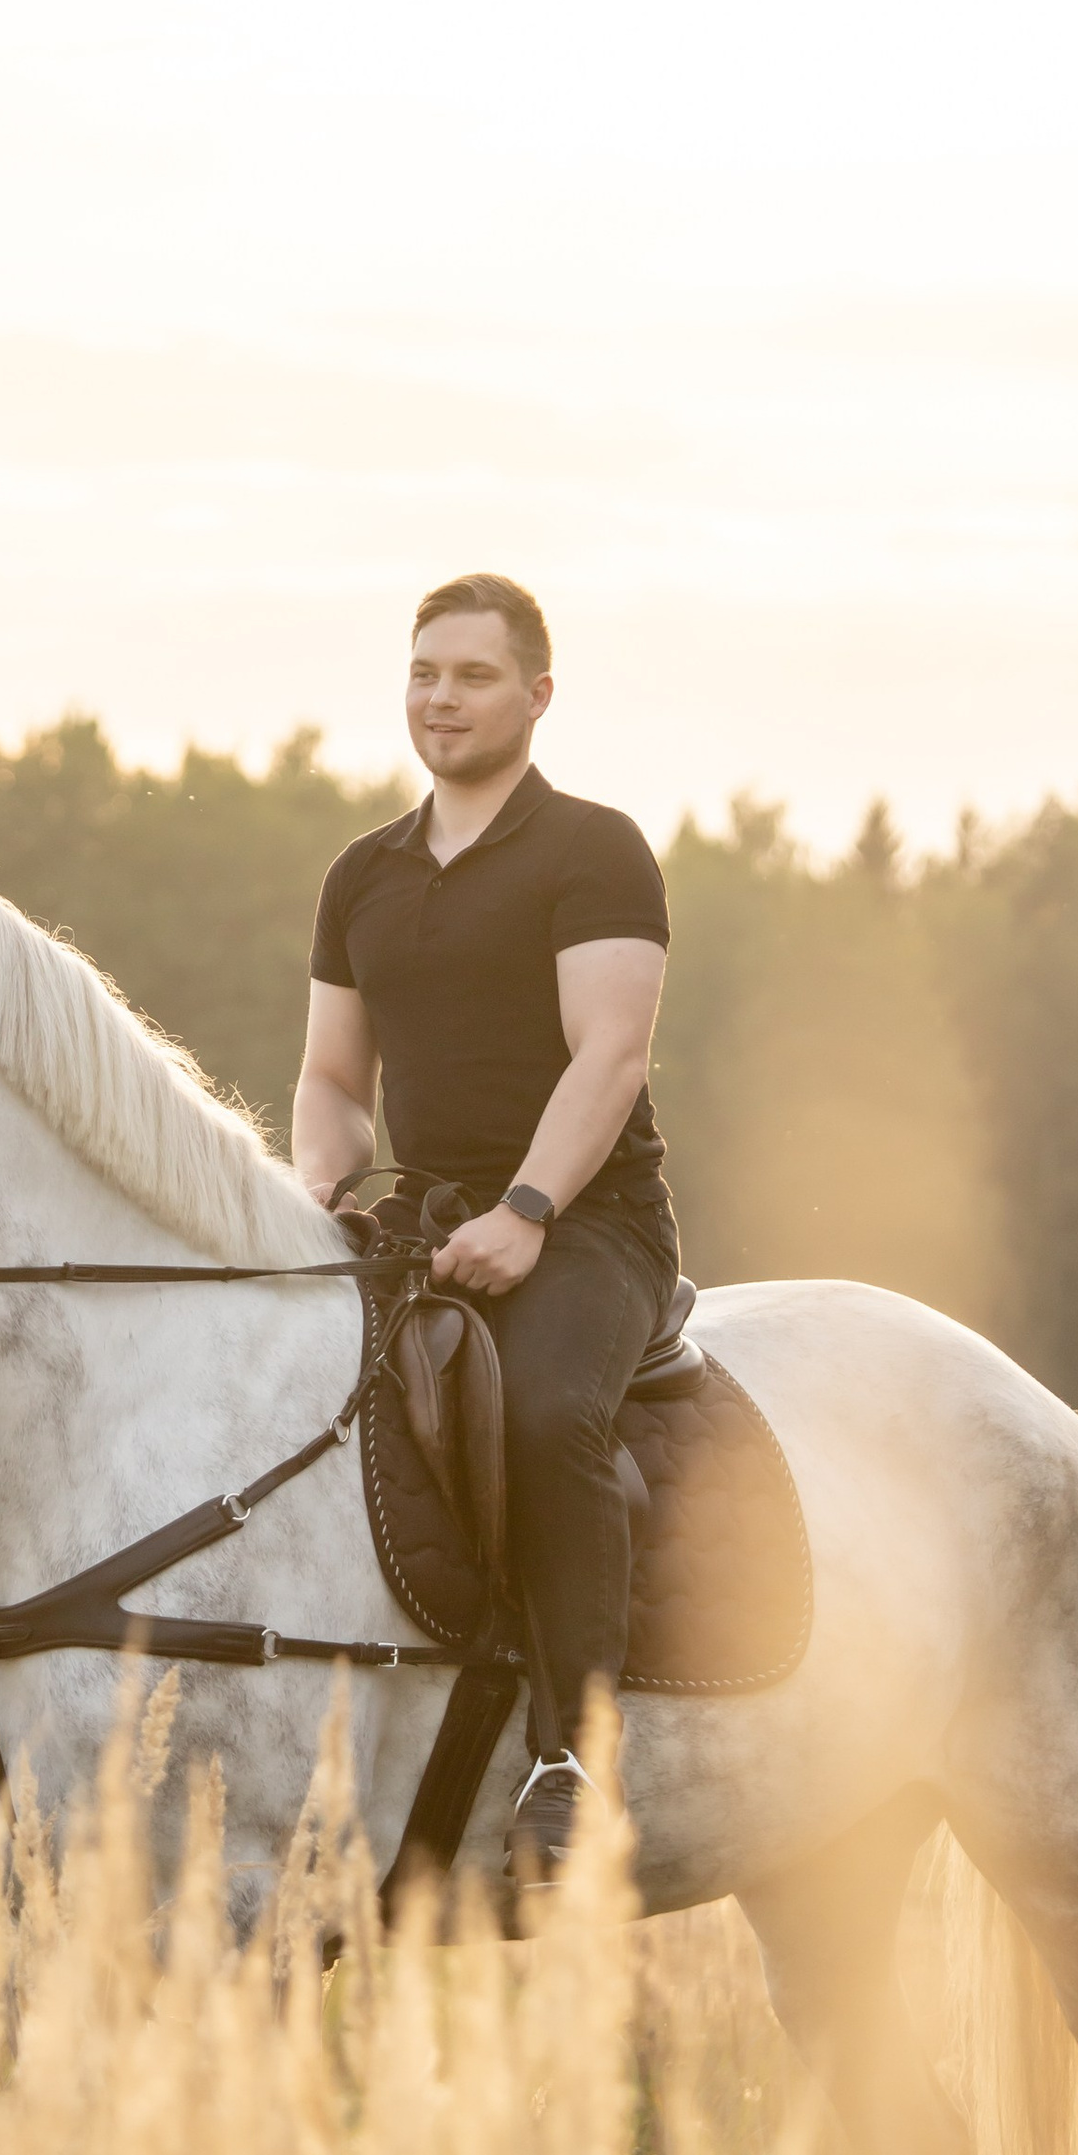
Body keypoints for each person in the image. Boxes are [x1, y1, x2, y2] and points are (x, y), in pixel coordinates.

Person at [292, 573, 678, 1872]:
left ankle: (580, 1758)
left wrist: (528, 1211)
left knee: (541, 1413)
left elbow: (611, 1056)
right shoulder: (362, 875)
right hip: (427, 1219)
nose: (441, 698)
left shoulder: (594, 850)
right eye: (423, 674)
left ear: (538, 696)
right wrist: (311, 1185)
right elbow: (337, 1085)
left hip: (590, 1222)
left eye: (472, 675)